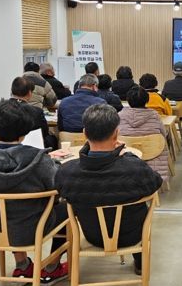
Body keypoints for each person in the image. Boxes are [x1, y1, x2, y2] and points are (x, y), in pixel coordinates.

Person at [0, 99, 68, 286]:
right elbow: (59, 187)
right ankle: (52, 266)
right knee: (68, 208)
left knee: (6, 207)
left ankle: (22, 264)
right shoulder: (39, 160)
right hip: (31, 230)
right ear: (25, 132)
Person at [55, 104, 163, 276]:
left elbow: (60, 192)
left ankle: (53, 264)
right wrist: (126, 154)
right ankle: (140, 262)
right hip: (132, 237)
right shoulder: (135, 168)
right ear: (116, 133)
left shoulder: (67, 172)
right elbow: (156, 181)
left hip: (93, 236)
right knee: (138, 204)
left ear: (85, 134)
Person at [118, 86, 170, 183]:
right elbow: (163, 135)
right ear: (146, 100)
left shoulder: (120, 115)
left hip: (127, 156)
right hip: (153, 155)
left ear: (128, 100)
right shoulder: (154, 115)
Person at [10, 77, 58, 149]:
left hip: (4, 149)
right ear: (30, 93)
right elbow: (44, 133)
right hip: (31, 149)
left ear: (12, 91)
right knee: (52, 139)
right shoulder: (36, 112)